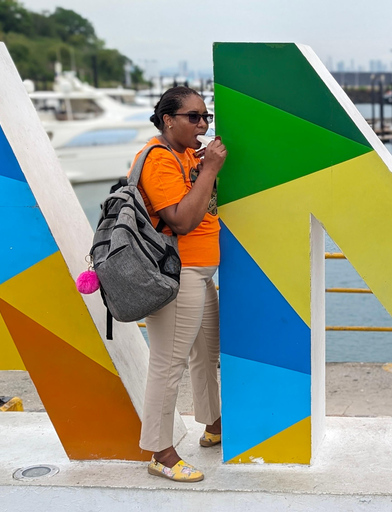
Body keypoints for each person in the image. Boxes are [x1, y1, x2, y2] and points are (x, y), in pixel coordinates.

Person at [134, 86, 227, 482]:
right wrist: (209, 172)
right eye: (194, 116)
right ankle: (160, 452)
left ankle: (213, 425)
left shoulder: (187, 155)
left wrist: (203, 166)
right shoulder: (157, 159)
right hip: (176, 274)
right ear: (168, 119)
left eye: (206, 117)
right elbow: (182, 221)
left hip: (200, 272)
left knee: (206, 354)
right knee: (168, 363)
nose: (203, 124)